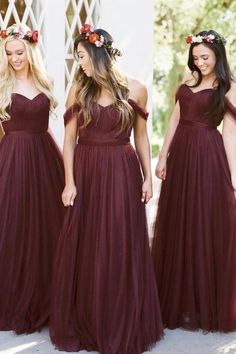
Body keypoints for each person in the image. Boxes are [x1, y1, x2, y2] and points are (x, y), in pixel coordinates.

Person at [50, 24, 163, 353]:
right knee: (87, 243)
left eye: (83, 56)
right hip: (86, 171)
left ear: (99, 54)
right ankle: (90, 317)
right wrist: (69, 181)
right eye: (77, 57)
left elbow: (140, 136)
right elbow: (69, 140)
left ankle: (119, 317)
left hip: (122, 172)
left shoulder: (137, 89)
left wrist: (148, 176)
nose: (80, 63)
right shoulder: (78, 90)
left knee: (119, 242)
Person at [152, 29, 236, 332]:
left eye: (205, 57)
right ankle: (176, 302)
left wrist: (233, 178)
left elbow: (229, 134)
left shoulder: (228, 87)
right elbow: (174, 119)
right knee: (178, 222)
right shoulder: (188, 82)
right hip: (182, 156)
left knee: (202, 224)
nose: (199, 62)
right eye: (196, 57)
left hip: (207, 156)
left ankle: (201, 305)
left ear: (218, 56)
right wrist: (163, 156)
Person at [0, 24, 64, 333]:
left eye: (19, 52)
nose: (14, 58)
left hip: (44, 156)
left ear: (31, 50)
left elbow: (48, 125)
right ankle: (15, 301)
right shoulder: (0, 84)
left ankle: (47, 300)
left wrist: (65, 165)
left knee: (47, 227)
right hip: (12, 158)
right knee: (14, 226)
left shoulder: (46, 81)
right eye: (9, 53)